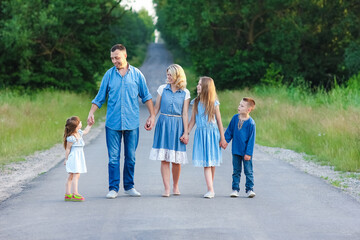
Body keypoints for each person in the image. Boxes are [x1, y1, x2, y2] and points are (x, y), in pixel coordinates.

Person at [87, 44, 155, 199]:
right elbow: (99, 97)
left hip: (132, 123)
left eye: (116, 57)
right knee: (113, 158)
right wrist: (91, 112)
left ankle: (129, 186)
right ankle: (113, 188)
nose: (114, 61)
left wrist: (152, 115)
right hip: (113, 123)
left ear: (125, 55)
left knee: (130, 157)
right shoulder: (109, 75)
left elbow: (146, 96)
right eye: (112, 58)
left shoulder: (137, 74)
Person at [149, 64, 190, 197]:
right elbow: (156, 109)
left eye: (170, 75)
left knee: (177, 160)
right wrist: (151, 119)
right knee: (165, 159)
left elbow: (185, 114)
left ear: (178, 76)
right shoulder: (162, 89)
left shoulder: (185, 92)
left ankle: (175, 186)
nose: (168, 77)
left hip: (178, 125)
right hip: (164, 124)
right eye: (167, 74)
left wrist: (186, 132)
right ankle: (166, 188)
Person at [188, 76, 227, 198]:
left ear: (206, 87)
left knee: (212, 163)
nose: (197, 86)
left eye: (200, 84)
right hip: (201, 135)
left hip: (213, 135)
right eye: (198, 84)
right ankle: (211, 189)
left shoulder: (213, 103)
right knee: (206, 163)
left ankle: (210, 188)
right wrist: (186, 133)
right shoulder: (196, 102)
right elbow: (193, 120)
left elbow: (219, 121)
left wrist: (223, 138)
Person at [224, 97, 256, 198]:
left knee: (248, 171)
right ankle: (235, 189)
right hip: (236, 150)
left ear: (248, 109)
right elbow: (229, 131)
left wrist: (248, 153)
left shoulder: (251, 123)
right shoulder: (235, 118)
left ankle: (249, 189)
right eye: (239, 105)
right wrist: (224, 141)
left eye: (242, 106)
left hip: (246, 152)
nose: (239, 107)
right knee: (236, 171)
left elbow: (251, 140)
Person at [63, 116, 92, 202]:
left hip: (79, 158)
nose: (81, 123)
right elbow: (68, 149)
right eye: (79, 122)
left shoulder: (79, 133)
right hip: (74, 158)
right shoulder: (71, 138)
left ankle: (68, 194)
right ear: (76, 126)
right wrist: (66, 159)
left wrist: (89, 125)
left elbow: (86, 131)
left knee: (72, 175)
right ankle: (75, 193)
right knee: (76, 175)